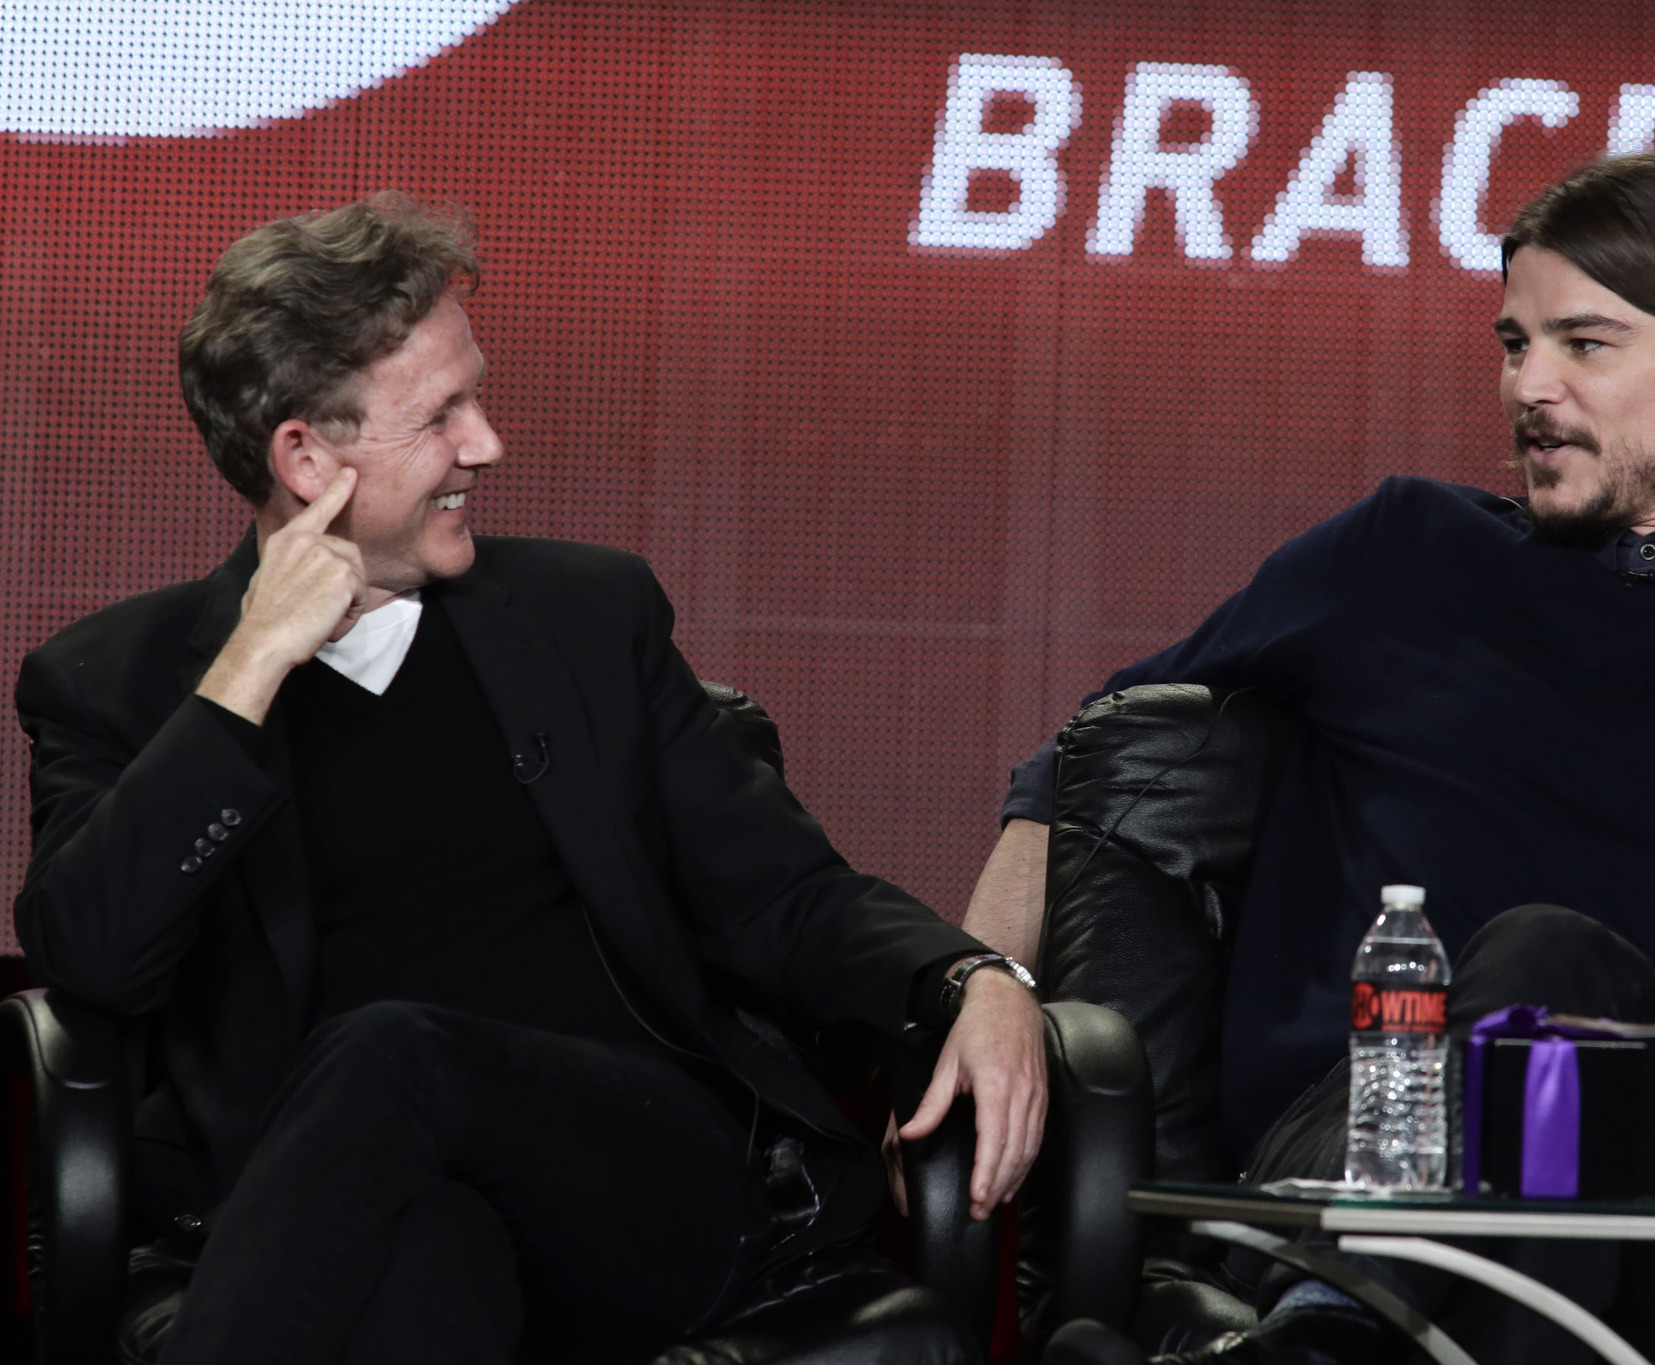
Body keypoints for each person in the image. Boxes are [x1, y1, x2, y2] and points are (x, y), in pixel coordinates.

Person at [968, 155, 1655, 1364]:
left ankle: (1323, 1345)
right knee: (1528, 1000)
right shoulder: (1403, 551)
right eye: (1513, 344)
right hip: (1341, 1158)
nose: (1527, 388)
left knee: (1551, 977)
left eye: (1582, 346)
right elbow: (1089, 763)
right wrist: (979, 989)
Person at [12, 193, 1047, 1364]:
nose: (487, 445)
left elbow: (780, 897)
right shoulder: (118, 682)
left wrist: (972, 974)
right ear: (306, 456)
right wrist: (249, 670)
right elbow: (90, 955)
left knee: (393, 1052)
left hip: (641, 1189)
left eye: (475, 396)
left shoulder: (585, 619)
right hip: (338, 1207)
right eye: (440, 416)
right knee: (422, 1258)